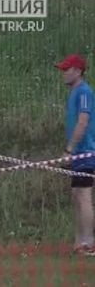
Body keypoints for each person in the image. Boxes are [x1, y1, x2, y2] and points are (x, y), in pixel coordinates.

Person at [57, 53, 95, 255]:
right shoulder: (74, 93)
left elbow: (83, 122)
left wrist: (70, 149)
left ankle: (89, 243)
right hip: (79, 153)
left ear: (78, 71)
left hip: (86, 153)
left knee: (84, 195)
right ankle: (80, 241)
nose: (64, 73)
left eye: (67, 69)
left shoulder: (83, 92)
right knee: (76, 194)